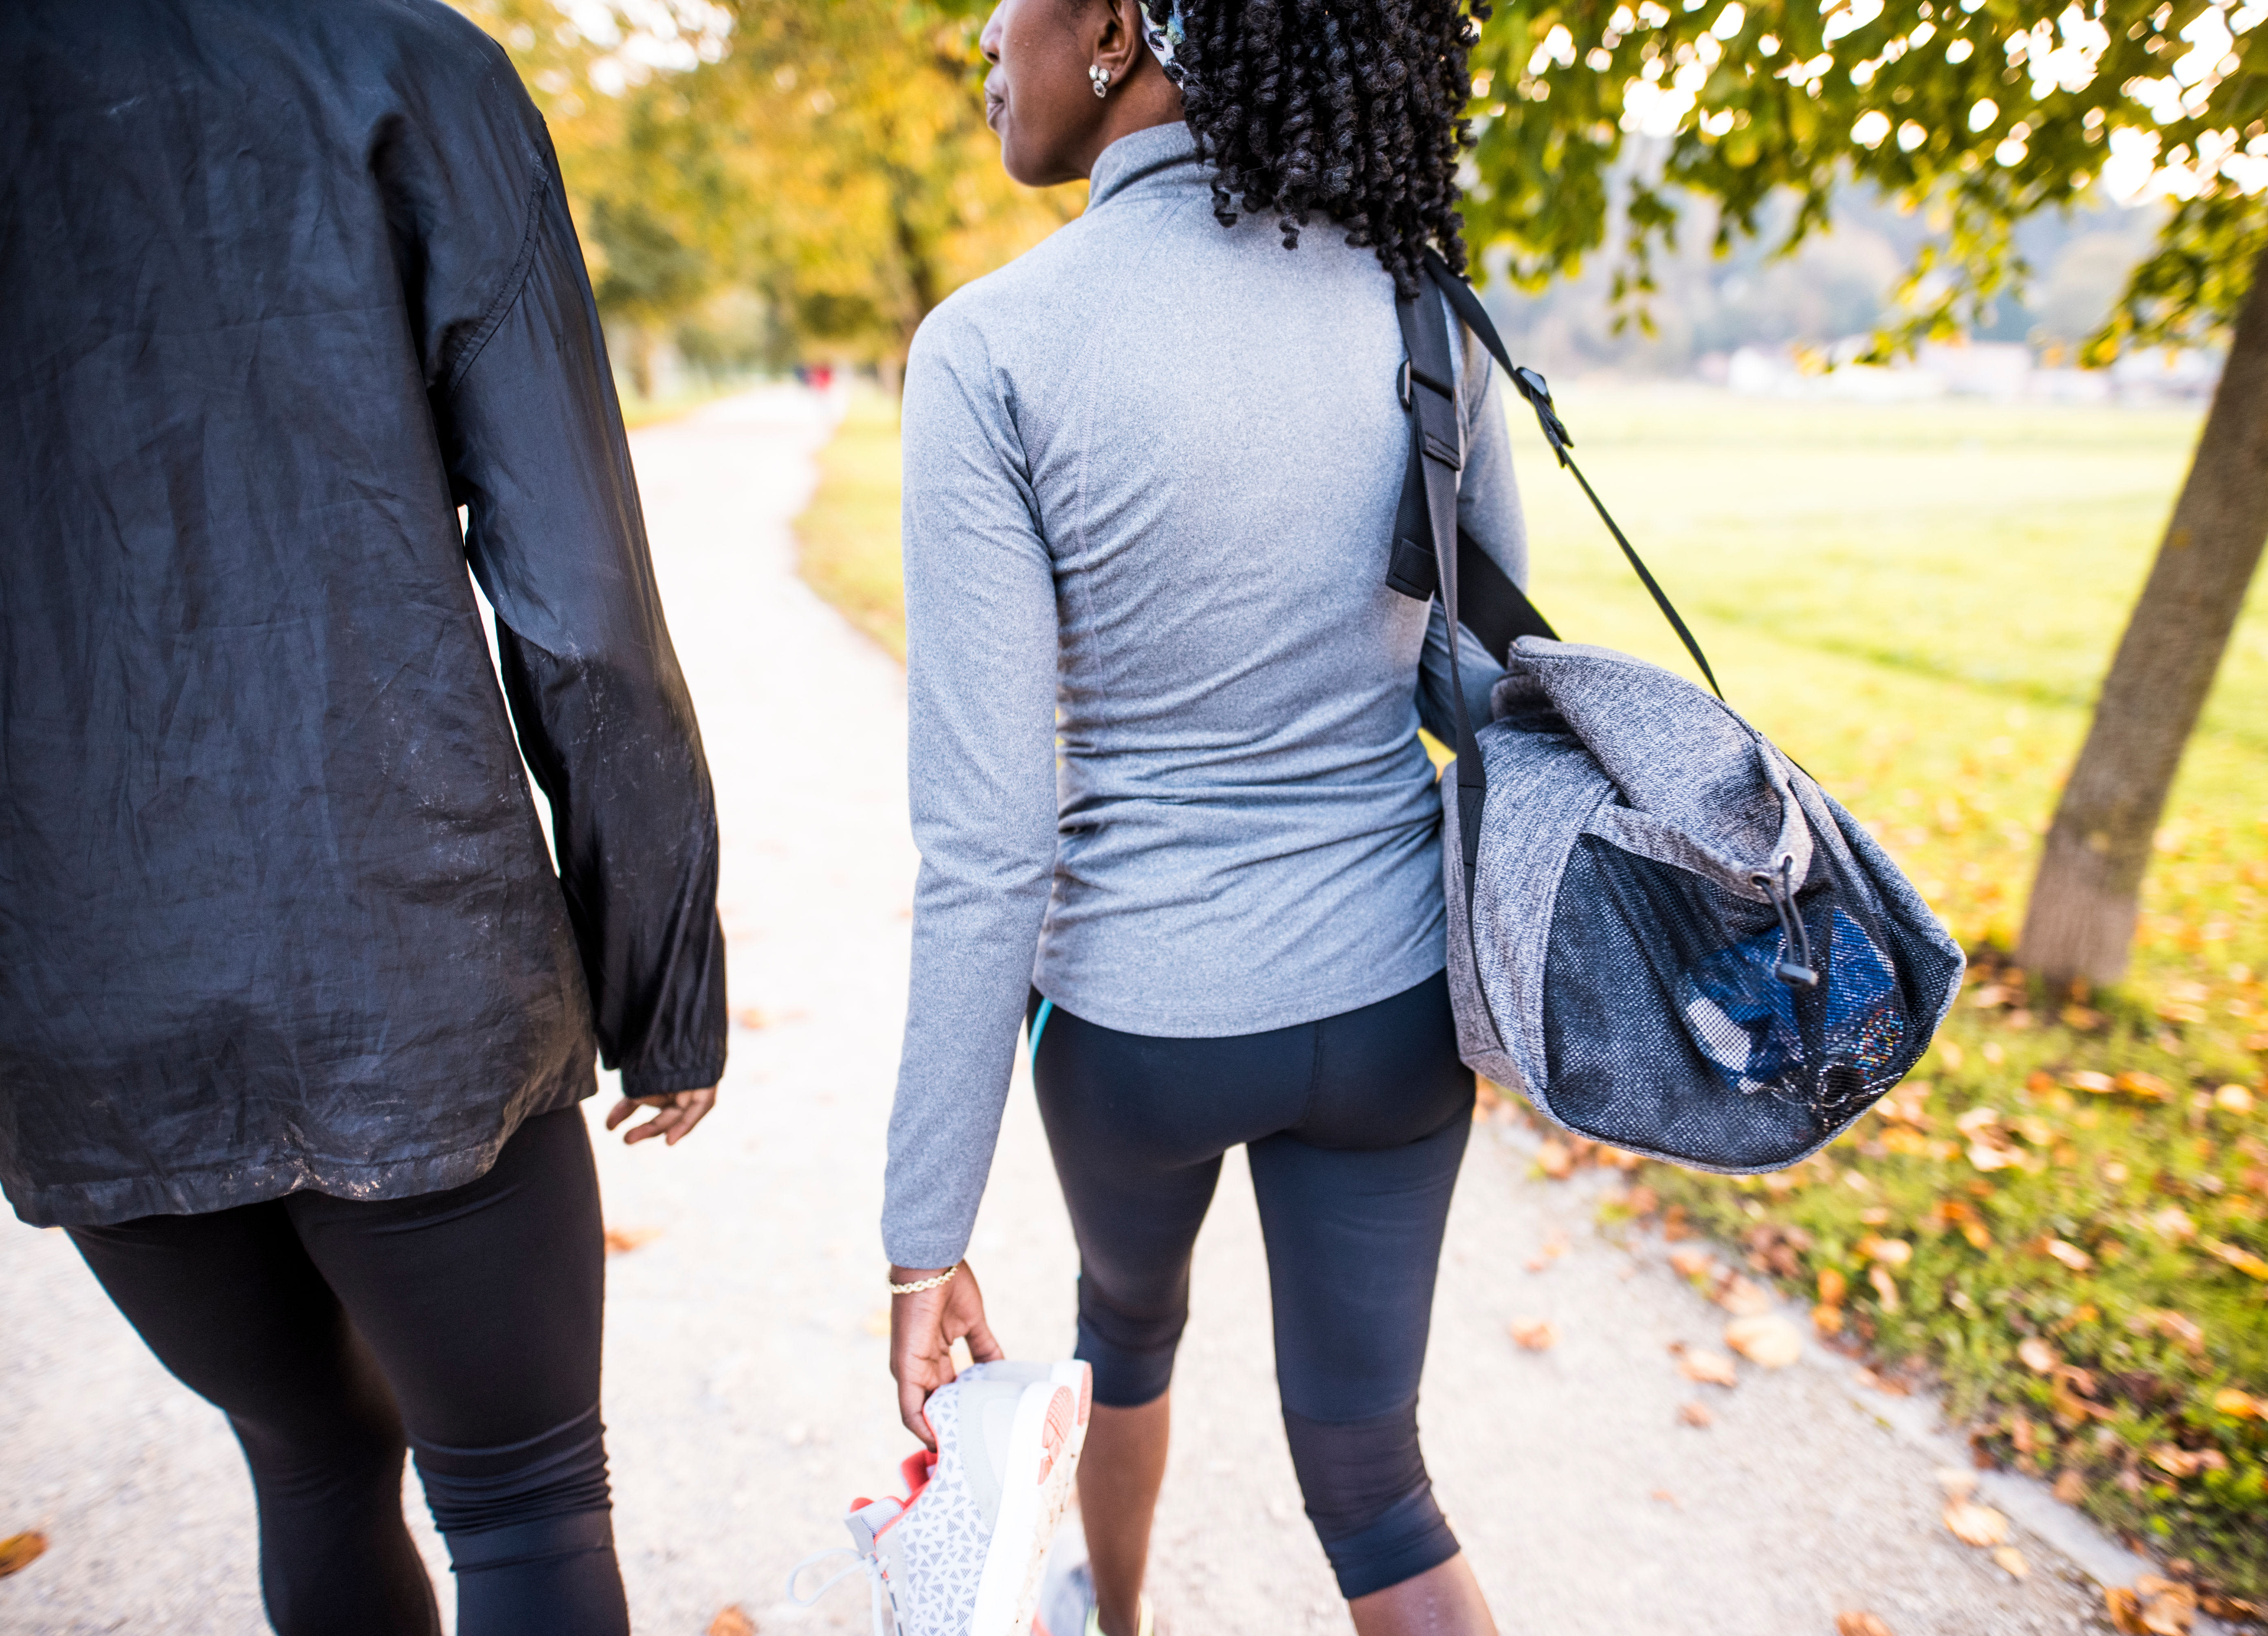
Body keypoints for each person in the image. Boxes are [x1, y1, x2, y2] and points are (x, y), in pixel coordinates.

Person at [0, 3, 725, 1632]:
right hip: (411, 955)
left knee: (310, 1451)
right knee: (528, 1504)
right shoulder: (407, 65)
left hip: (76, 1000)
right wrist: (660, 971)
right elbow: (585, 608)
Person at [881, 2, 1517, 1632]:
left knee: (1124, 1331)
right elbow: (1483, 675)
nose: (982, 36)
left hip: (1137, 1032)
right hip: (1392, 1016)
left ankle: (1118, 1620)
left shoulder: (993, 345)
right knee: (1375, 1480)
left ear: (1111, 25)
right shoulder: (1420, 298)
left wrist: (922, 1232)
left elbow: (987, 842)